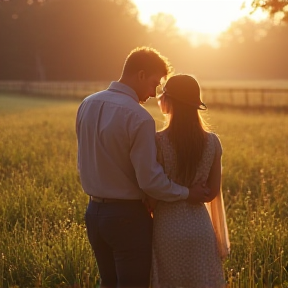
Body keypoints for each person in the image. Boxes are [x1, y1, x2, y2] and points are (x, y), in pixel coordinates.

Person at [76, 47, 212, 288]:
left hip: (93, 213)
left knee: (108, 283)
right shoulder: (138, 117)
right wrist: (187, 193)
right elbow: (150, 180)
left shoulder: (87, 104)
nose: (154, 92)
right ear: (140, 74)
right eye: (154, 83)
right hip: (127, 217)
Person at [149, 74, 230, 288]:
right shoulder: (212, 142)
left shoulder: (158, 141)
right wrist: (193, 191)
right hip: (200, 229)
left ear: (169, 101)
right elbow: (212, 192)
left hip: (166, 229)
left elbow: (152, 193)